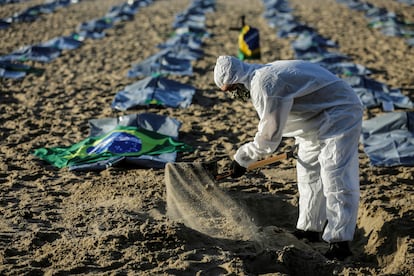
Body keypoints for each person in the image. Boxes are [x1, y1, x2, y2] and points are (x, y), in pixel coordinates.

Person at [213, 55, 363, 261]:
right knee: (308, 172)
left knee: (335, 173)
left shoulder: (264, 83)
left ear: (236, 79)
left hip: (340, 112)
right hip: (314, 119)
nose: (234, 94)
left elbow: (268, 138)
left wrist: (241, 159)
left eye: (231, 89)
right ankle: (309, 230)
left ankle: (340, 242)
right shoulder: (260, 75)